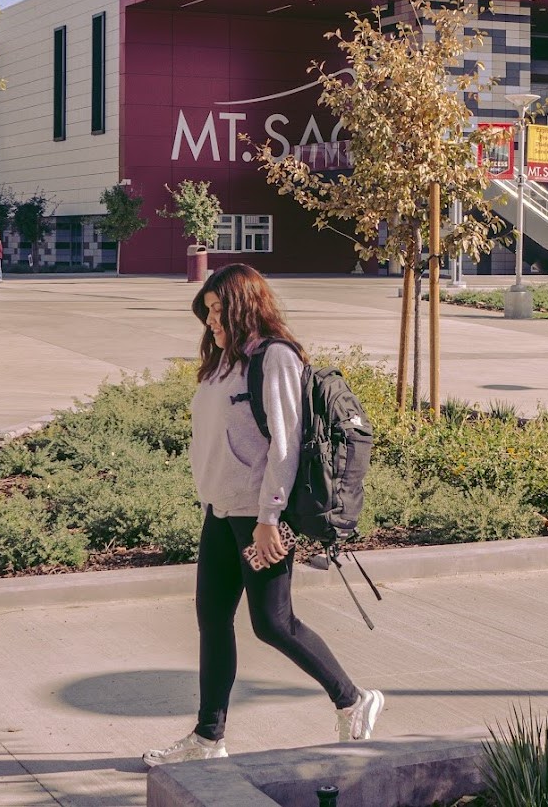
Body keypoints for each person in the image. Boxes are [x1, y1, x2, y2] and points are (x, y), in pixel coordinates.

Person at [143, 263, 384, 767]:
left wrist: (270, 518)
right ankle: (209, 739)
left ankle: (352, 698)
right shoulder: (223, 363)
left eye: (216, 309)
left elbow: (286, 444)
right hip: (220, 511)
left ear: (242, 305)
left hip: (256, 515)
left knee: (273, 623)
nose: (209, 320)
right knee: (212, 621)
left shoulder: (273, 358)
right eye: (206, 311)